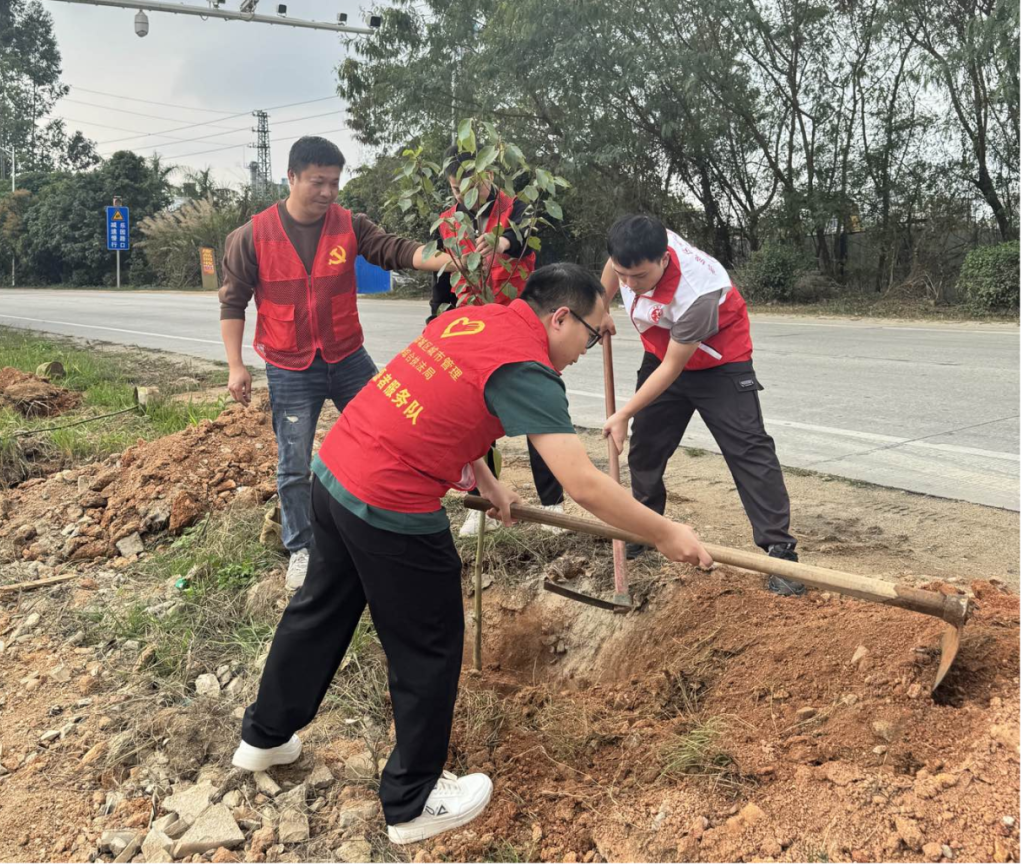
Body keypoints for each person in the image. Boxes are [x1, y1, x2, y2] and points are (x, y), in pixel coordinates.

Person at [230, 263, 713, 845]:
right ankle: (412, 801)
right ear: (560, 317)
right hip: (390, 504)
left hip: (335, 473)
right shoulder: (528, 369)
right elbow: (582, 483)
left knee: (319, 610)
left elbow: (440, 402)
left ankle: (264, 737)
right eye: (594, 332)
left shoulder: (474, 321)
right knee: (428, 647)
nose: (591, 347)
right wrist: (663, 532)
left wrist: (483, 478)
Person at [219, 136, 458, 589]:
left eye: (334, 182)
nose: (328, 192)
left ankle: (390, 524)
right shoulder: (252, 236)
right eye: (317, 182)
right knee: (293, 463)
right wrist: (236, 365)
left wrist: (451, 259)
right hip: (289, 365)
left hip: (348, 356)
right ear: (291, 177)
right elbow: (233, 304)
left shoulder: (349, 225)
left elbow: (396, 249)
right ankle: (301, 547)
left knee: (390, 436)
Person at [599, 214, 805, 596]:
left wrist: (623, 413)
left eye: (639, 277)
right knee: (646, 446)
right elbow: (613, 270)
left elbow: (675, 367)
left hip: (719, 361)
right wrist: (600, 307)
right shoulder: (632, 256)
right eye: (622, 275)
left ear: (663, 259)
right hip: (662, 351)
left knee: (748, 448)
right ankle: (645, 527)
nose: (629, 285)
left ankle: (780, 551)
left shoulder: (697, 291)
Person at [428, 143, 565, 537]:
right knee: (476, 418)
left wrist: (502, 243)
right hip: (472, 330)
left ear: (487, 173)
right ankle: (482, 502)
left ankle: (552, 502)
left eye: (471, 183)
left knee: (538, 410)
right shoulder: (450, 222)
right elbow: (442, 275)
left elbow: (525, 241)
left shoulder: (516, 210)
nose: (463, 195)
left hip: (518, 323)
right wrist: (436, 318)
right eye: (455, 188)